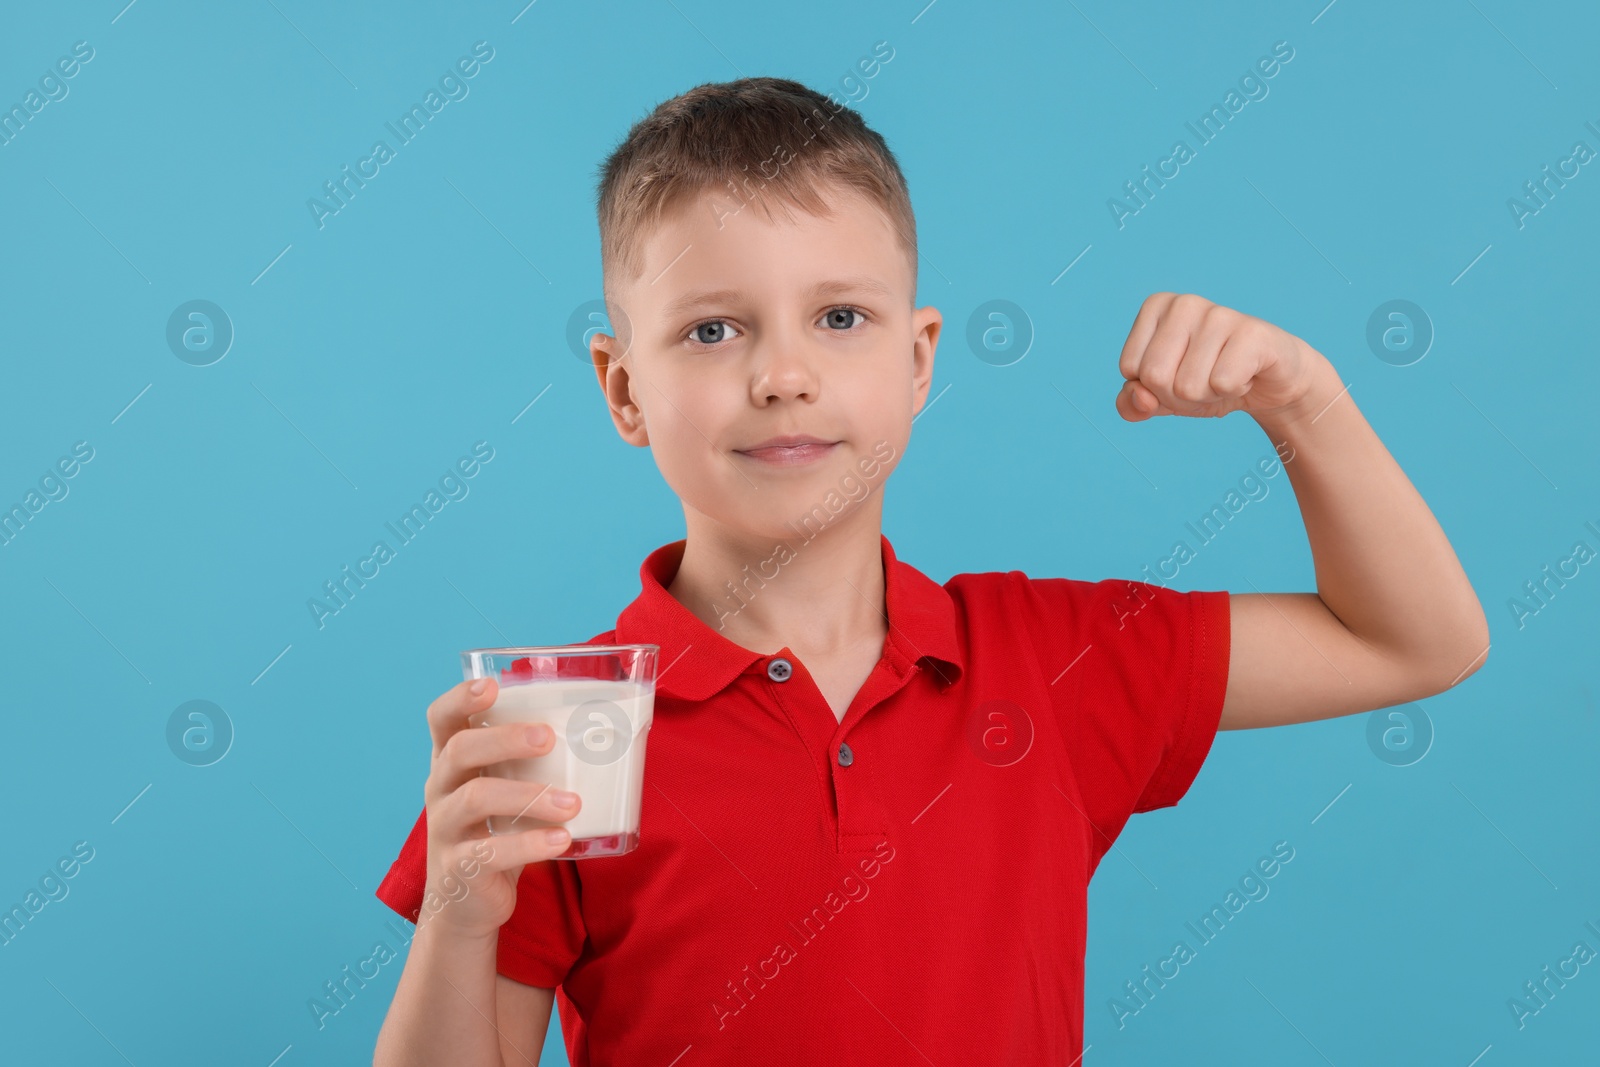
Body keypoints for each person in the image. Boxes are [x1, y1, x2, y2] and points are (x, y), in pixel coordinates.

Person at [370, 76, 1488, 1066]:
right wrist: (461, 919)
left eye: (840, 316)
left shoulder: (1059, 660)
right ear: (622, 390)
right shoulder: (560, 732)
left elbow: (1415, 639)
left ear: (917, 362)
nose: (785, 373)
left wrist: (1305, 403)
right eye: (714, 331)